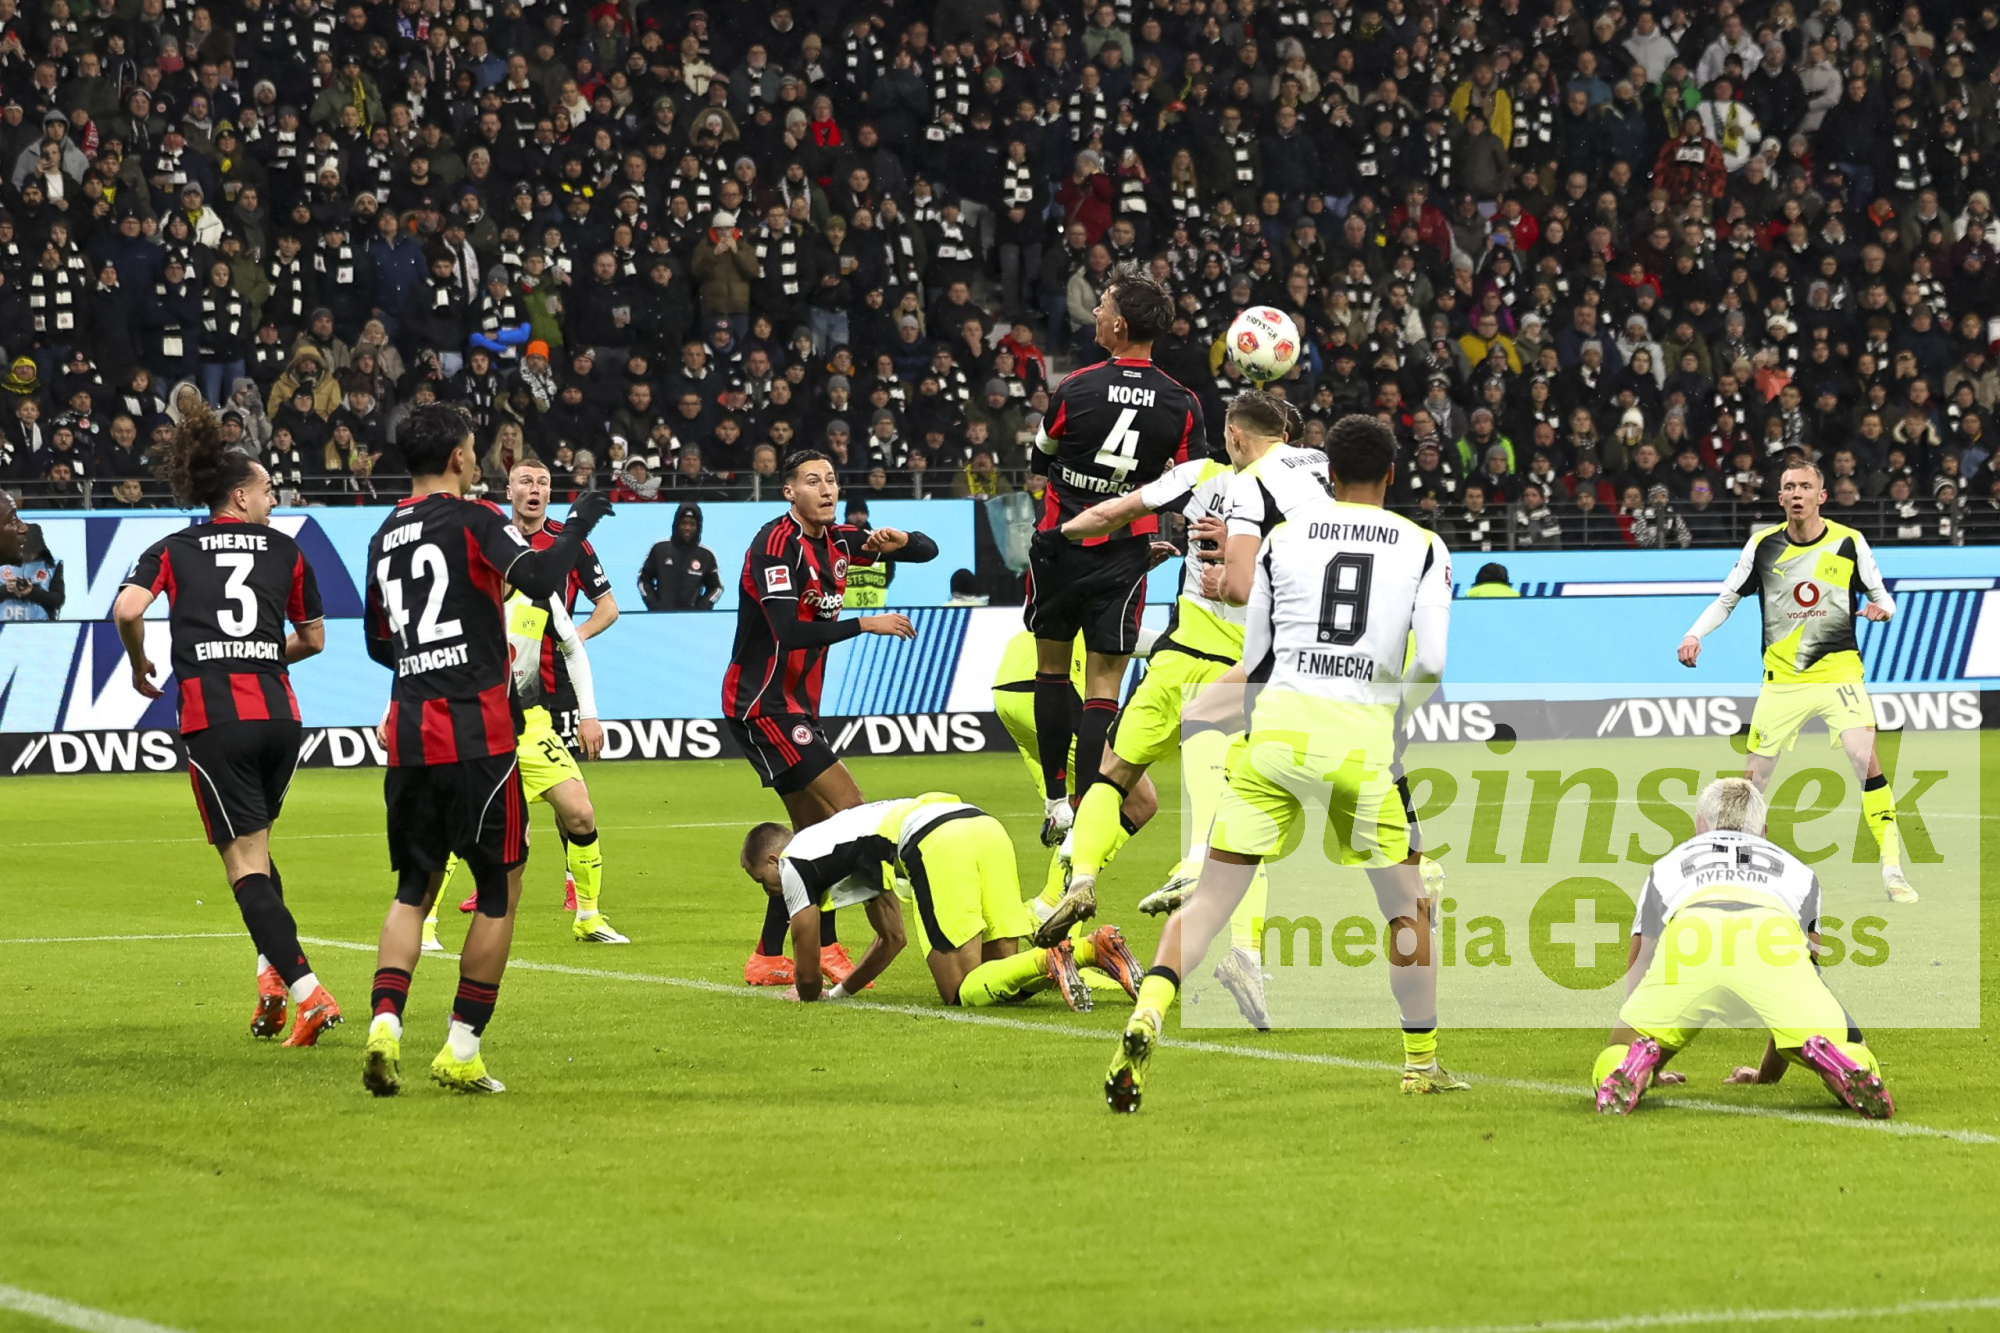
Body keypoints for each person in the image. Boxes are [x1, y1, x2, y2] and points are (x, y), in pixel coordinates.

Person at [1104, 415, 1461, 1111]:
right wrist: (1396, 708)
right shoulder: (1424, 546)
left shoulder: (1282, 540)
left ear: (1330, 475)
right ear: (1392, 474)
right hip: (1361, 744)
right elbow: (1433, 661)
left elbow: (1257, 659)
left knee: (1210, 901)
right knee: (1407, 908)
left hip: (1274, 735)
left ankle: (1148, 1012)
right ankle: (1421, 1064)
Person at [1035, 390, 1328, 1025]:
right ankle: (1244, 952)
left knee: (1113, 772)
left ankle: (1081, 879)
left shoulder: (1201, 476)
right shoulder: (1305, 495)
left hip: (1179, 657)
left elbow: (1115, 511)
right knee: (1243, 815)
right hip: (1245, 672)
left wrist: (1059, 533)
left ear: (1236, 433)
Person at [358, 403, 613, 1097]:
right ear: (457, 457)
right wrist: (581, 523)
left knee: (413, 889)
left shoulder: (383, 535)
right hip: (478, 730)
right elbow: (539, 577)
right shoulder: (476, 520)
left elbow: (379, 643)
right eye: (473, 450)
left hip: (409, 730)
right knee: (499, 888)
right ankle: (461, 1049)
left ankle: (385, 1023)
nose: (476, 460)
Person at [110, 404, 338, 1047]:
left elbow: (127, 610)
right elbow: (313, 639)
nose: (273, 498)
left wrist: (140, 662)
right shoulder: (288, 550)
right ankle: (271, 982)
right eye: (267, 489)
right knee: (258, 850)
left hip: (216, 720)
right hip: (281, 718)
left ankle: (308, 993)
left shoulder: (173, 548)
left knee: (242, 866)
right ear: (239, 495)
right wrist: (258, 654)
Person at [729, 449, 937, 986]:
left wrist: (902, 541)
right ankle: (860, 941)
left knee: (813, 836)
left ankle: (769, 955)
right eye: (812, 481)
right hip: (763, 703)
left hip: (796, 705)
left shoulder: (840, 542)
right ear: (788, 492)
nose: (826, 489)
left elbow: (929, 550)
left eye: (831, 480)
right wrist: (864, 623)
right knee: (853, 813)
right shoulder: (775, 544)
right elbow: (787, 631)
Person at [1676, 462, 1913, 903]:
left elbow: (1884, 598)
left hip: (1839, 674)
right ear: (1780, 498)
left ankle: (1892, 868)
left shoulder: (1848, 542)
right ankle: (1734, 871)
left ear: (1822, 496)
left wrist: (1883, 611)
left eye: (1806, 486)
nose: (1797, 493)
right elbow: (1726, 600)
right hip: (1781, 681)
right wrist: (1694, 634)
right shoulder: (1762, 546)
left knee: (1864, 759)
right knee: (1752, 784)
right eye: (1789, 486)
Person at [1027, 271, 1204, 851]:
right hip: (1125, 556)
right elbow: (1191, 485)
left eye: (1103, 307)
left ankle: (1055, 802)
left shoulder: (1075, 387)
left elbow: (1040, 461)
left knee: (1053, 671)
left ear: (1120, 325)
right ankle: (1086, 812)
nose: (1097, 315)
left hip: (1060, 547)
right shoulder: (1181, 403)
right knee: (1104, 689)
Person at [1594, 778, 1893, 1121]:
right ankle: (1840, 1062)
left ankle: (1634, 1065)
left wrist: (1649, 1048)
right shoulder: (1801, 873)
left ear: (1699, 826)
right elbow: (1810, 971)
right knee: (1845, 1045)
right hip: (1771, 936)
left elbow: (1640, 962)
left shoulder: (1667, 865)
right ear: (1764, 830)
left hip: (1693, 936)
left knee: (1621, 1047)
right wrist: (1767, 1075)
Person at [739, 795, 1140, 1010]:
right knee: (998, 978)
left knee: (959, 991)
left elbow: (805, 952)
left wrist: (809, 994)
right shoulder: (838, 843)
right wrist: (840, 993)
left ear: (774, 860)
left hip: (936, 839)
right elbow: (892, 939)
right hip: (983, 824)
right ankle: (1088, 951)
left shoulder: (793, 862)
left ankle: (1067, 954)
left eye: (761, 879)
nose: (768, 890)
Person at [419, 568, 624, 952]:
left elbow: (572, 647)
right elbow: (423, 656)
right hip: (477, 724)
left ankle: (588, 917)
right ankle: (425, 922)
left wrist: (589, 714)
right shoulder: (459, 596)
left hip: (531, 723)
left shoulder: (540, 592)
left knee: (580, 813)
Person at [483, 459, 620, 918]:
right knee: (498, 791)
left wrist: (573, 637)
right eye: (526, 481)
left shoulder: (568, 543)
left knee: (568, 794)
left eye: (543, 482)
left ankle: (572, 883)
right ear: (509, 491)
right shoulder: (492, 540)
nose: (535, 489)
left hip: (552, 685)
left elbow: (608, 608)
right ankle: (494, 877)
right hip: (495, 686)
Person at [637, 501, 722, 610]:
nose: (687, 528)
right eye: (684, 523)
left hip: (693, 618)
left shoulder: (706, 555)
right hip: (662, 616)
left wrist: (701, 609)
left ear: (698, 527)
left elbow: (716, 588)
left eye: (692, 524)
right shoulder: (659, 549)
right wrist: (654, 606)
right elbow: (643, 581)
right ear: (676, 524)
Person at [0, 514, 63, 619]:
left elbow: (57, 600)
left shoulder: (52, 564)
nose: (30, 556)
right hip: (4, 625)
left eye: (33, 551)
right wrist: (6, 590)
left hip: (40, 624)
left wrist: (32, 592)